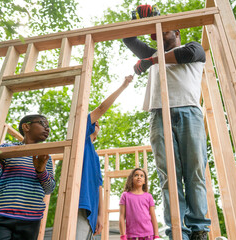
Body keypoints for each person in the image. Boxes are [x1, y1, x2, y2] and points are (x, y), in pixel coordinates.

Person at [123, 6, 211, 240]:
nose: (157, 34)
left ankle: (199, 229)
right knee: (168, 177)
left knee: (195, 172)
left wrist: (151, 59)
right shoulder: (153, 53)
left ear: (177, 30)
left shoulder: (193, 47)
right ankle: (176, 231)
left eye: (162, 29)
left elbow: (187, 56)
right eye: (153, 32)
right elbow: (128, 38)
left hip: (188, 112)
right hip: (159, 115)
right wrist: (137, 20)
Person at [0, 114, 55, 240]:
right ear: (26, 126)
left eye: (48, 126)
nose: (47, 129)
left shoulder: (45, 158)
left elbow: (49, 189)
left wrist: (41, 170)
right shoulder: (7, 149)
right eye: (43, 124)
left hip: (30, 222)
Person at [77, 75, 133, 240]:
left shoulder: (93, 154)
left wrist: (101, 216)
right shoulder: (82, 140)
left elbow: (99, 186)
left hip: (92, 211)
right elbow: (101, 108)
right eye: (95, 122)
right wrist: (123, 86)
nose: (97, 123)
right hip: (80, 202)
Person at [119, 168, 159, 240]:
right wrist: (123, 236)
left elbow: (153, 216)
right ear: (131, 179)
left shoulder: (149, 196)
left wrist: (156, 235)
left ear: (144, 181)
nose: (139, 177)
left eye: (142, 176)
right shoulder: (125, 195)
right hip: (131, 235)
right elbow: (122, 216)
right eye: (136, 175)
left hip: (148, 234)